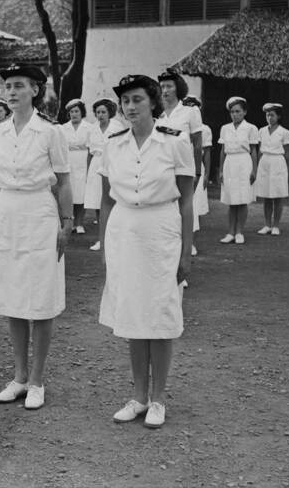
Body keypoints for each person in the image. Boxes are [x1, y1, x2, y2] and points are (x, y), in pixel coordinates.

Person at [99, 74, 194, 429]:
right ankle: (139, 396)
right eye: (125, 101)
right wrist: (105, 247)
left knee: (160, 315)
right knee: (133, 316)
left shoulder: (175, 142)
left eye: (137, 99)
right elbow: (107, 200)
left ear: (154, 102)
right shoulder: (114, 143)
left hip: (162, 231)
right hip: (125, 232)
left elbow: (186, 201)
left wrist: (186, 252)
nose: (130, 106)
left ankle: (159, 399)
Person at [0, 64, 72, 410]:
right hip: (8, 212)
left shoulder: (50, 132)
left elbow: (64, 182)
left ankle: (37, 379)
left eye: (19, 86)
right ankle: (19, 376)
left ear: (36, 90)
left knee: (41, 295)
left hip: (39, 211)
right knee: (13, 296)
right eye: (8, 86)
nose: (11, 92)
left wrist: (66, 223)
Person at [84, 98, 125, 251]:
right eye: (98, 112)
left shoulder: (117, 126)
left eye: (103, 112)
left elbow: (122, 149)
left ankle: (115, 238)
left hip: (113, 164)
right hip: (96, 165)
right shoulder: (92, 128)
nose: (100, 115)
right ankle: (102, 239)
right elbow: (89, 152)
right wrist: (88, 172)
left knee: (112, 201)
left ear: (110, 113)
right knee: (96, 202)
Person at [218, 97, 259, 244]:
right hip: (230, 163)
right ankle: (230, 232)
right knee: (231, 200)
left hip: (244, 163)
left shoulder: (251, 128)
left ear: (244, 112)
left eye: (238, 111)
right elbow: (222, 151)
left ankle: (239, 232)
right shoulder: (225, 128)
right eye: (232, 112)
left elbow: (254, 150)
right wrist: (221, 170)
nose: (235, 114)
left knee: (242, 200)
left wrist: (254, 170)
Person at [255, 102, 289, 235]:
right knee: (266, 196)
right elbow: (259, 151)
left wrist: (287, 170)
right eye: (267, 115)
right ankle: (267, 225)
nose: (269, 117)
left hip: (278, 163)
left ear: (278, 116)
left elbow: (287, 153)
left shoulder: (284, 132)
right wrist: (257, 166)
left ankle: (276, 225)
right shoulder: (261, 131)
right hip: (265, 162)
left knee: (277, 195)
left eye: (272, 115)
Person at [182, 95, 211, 256]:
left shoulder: (204, 129)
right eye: (187, 105)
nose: (192, 108)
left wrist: (204, 174)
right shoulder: (178, 125)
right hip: (181, 167)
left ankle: (191, 243)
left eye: (194, 106)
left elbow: (205, 152)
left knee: (192, 206)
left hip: (195, 168)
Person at [60, 98, 94, 234]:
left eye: (77, 111)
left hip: (82, 160)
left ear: (82, 112)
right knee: (69, 192)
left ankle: (79, 223)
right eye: (72, 112)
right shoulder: (63, 128)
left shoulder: (89, 128)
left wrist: (89, 166)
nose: (74, 114)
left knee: (81, 193)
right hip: (68, 161)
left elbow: (91, 147)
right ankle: (70, 222)